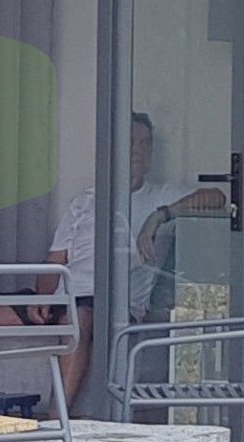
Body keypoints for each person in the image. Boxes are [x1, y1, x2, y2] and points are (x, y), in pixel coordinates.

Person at [21, 114, 221, 411]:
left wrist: (160, 216)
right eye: (131, 143)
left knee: (80, 316)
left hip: (108, 302)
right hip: (65, 296)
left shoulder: (160, 195)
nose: (138, 150)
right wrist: (43, 298)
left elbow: (216, 196)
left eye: (145, 143)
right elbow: (56, 259)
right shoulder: (85, 200)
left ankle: (56, 418)